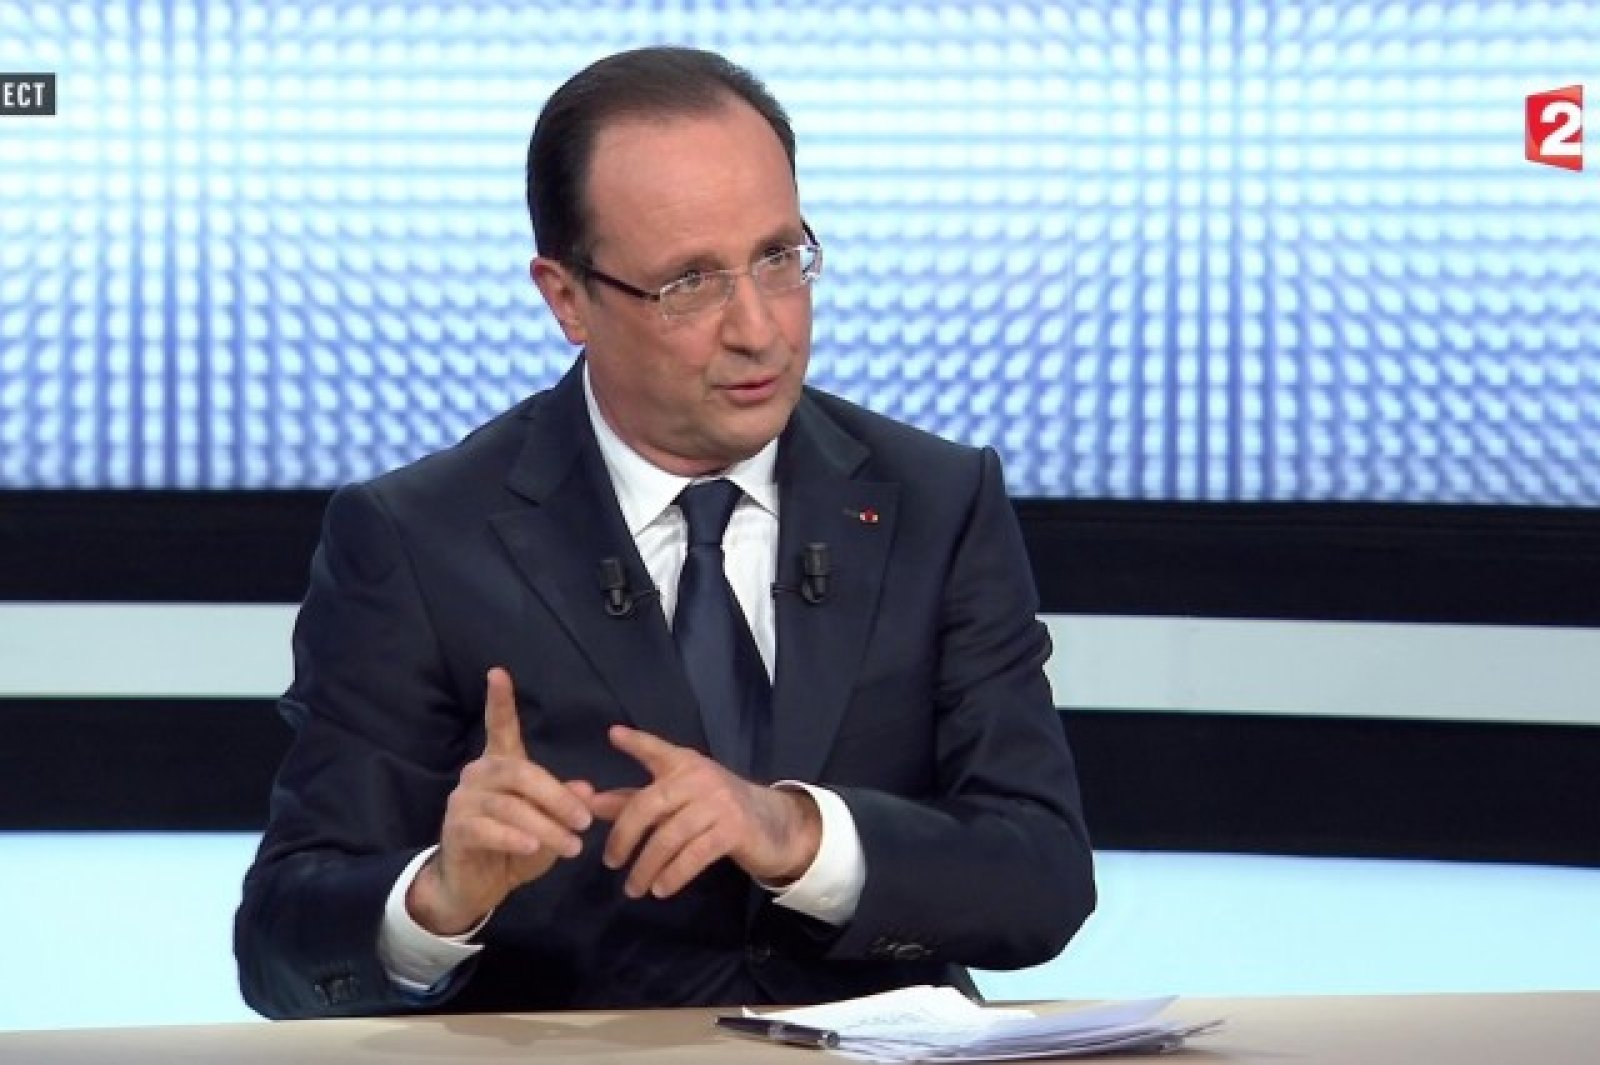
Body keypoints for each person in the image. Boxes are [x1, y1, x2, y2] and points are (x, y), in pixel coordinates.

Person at [234, 44, 1095, 1018]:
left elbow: (1042, 877)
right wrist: (438, 897)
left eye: (779, 258)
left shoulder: (938, 501)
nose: (760, 329)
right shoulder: (418, 541)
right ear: (567, 297)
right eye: (690, 282)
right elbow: (280, 944)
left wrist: (800, 835)